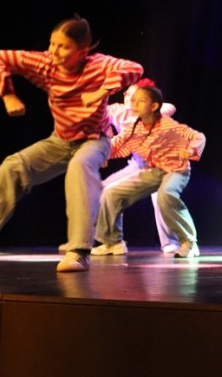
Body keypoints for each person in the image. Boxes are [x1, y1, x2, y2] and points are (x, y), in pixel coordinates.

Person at [0, 17, 143, 273]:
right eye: (52, 44)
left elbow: (134, 68)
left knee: (81, 166)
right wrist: (8, 94)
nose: (54, 51)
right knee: (14, 166)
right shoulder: (46, 64)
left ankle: (79, 251)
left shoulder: (98, 64)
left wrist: (102, 90)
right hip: (60, 140)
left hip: (95, 139)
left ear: (83, 51)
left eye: (64, 47)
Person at [62, 78, 180, 254]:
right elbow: (98, 113)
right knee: (101, 192)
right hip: (137, 165)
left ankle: (171, 242)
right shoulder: (117, 111)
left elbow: (169, 107)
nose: (129, 99)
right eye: (127, 94)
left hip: (161, 167)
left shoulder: (156, 111)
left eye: (136, 97)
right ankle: (109, 240)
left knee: (161, 200)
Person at [93, 83, 206, 259]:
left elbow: (198, 137)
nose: (134, 104)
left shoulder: (167, 125)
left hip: (176, 170)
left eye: (140, 101)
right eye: (133, 100)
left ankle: (189, 242)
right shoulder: (134, 127)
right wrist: (99, 154)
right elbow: (118, 142)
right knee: (111, 192)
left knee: (165, 195)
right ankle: (112, 242)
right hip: (154, 171)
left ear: (153, 106)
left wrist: (191, 151)